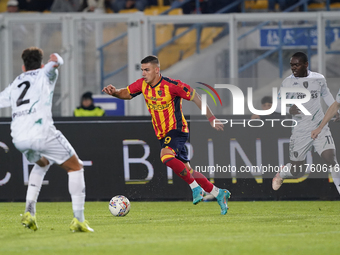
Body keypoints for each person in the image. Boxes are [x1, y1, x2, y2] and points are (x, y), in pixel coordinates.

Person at [102, 55, 231, 215]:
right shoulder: (142, 85)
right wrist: (114, 92)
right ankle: (219, 193)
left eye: (147, 70)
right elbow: (126, 94)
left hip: (177, 130)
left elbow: (195, 96)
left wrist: (211, 118)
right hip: (163, 135)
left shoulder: (172, 85)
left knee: (165, 156)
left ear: (157, 70)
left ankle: (195, 188)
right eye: (142, 70)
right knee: (187, 170)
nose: (143, 73)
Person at [0, 47, 93, 232]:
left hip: (18, 138)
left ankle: (29, 211)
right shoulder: (45, 73)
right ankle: (79, 220)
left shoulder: (16, 83)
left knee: (42, 163)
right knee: (76, 167)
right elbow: (57, 62)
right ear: (41, 64)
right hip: (42, 132)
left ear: (23, 67)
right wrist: (56, 59)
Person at [272, 52, 340, 195]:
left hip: (319, 126)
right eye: (291, 65)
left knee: (331, 160)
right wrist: (288, 109)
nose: (293, 68)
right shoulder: (287, 83)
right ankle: (283, 173)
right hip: (300, 131)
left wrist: (335, 109)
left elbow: (326, 94)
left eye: (296, 65)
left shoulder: (318, 79)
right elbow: (276, 105)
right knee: (297, 171)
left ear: (306, 65)